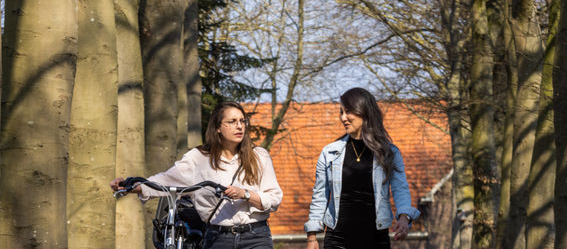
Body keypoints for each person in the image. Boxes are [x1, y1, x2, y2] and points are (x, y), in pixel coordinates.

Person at [110, 101, 283, 249]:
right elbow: (165, 181)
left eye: (242, 121)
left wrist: (245, 194)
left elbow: (274, 198)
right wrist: (131, 186)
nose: (239, 126)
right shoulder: (198, 158)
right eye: (232, 121)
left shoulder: (259, 156)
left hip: (256, 237)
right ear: (217, 128)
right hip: (218, 238)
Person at [304, 88, 421, 249]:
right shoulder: (329, 153)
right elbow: (320, 196)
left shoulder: (389, 153)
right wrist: (312, 237)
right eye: (341, 112)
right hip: (337, 238)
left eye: (348, 112)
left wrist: (404, 217)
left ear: (364, 112)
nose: (343, 118)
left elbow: (400, 188)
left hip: (375, 238)